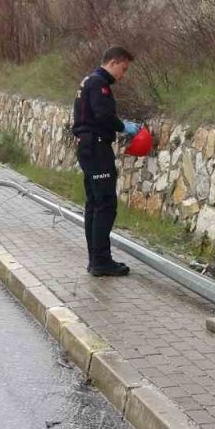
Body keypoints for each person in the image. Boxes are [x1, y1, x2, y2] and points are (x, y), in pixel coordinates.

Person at [71, 46, 142, 276]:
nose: (123, 75)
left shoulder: (88, 80)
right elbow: (102, 115)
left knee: (94, 204)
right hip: (96, 147)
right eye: (123, 69)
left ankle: (96, 260)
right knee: (105, 204)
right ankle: (101, 261)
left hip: (88, 146)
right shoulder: (98, 84)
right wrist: (124, 127)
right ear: (113, 62)